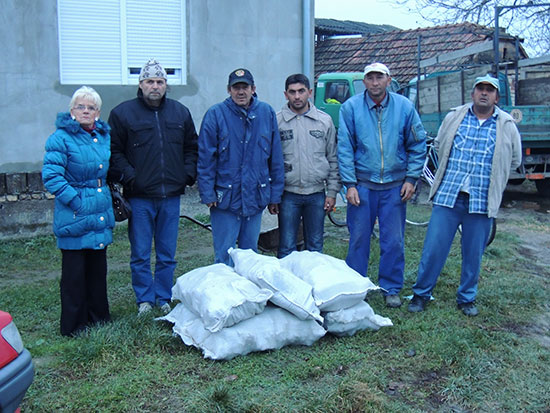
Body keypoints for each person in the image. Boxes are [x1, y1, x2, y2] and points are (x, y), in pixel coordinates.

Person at [408, 74, 522, 316]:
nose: (484, 93)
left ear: (496, 97)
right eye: (480, 88)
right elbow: (439, 145)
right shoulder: (455, 116)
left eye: (489, 90)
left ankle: (467, 298)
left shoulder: (507, 125)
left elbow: (515, 160)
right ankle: (421, 294)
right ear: (472, 93)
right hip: (449, 195)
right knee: (434, 249)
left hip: (481, 200)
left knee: (473, 253)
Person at [109, 59, 198, 315]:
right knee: (140, 253)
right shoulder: (123, 114)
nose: (155, 86)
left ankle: (163, 296)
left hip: (171, 196)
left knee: (167, 252)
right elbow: (114, 151)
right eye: (149, 81)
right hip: (139, 197)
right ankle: (144, 300)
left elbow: (192, 147)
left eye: (159, 81)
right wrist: (129, 176)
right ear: (140, 84)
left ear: (166, 85)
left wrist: (187, 174)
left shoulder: (180, 113)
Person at [338, 62, 426, 308]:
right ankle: (355, 286)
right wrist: (350, 184)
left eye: (379, 77)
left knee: (393, 240)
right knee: (358, 238)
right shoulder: (350, 108)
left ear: (389, 79)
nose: (375, 83)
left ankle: (391, 287)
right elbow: (344, 148)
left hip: (394, 187)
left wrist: (411, 178)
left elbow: (417, 145)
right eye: (370, 78)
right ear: (363, 82)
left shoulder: (405, 108)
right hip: (363, 185)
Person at [42, 86, 115, 336]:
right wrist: (76, 201)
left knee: (97, 271)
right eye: (80, 106)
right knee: (74, 275)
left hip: (99, 209)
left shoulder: (102, 136)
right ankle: (73, 326)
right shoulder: (60, 138)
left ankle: (99, 319)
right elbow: (52, 176)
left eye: (91, 107)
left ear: (98, 112)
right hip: (75, 211)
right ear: (72, 111)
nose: (86, 111)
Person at [197, 68, 284, 265]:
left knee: (249, 257)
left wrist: (275, 195)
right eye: (236, 88)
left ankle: (249, 295)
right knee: (225, 254)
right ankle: (227, 294)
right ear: (229, 90)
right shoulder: (215, 114)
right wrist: (207, 193)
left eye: (245, 87)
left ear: (253, 89)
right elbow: (205, 158)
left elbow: (276, 157)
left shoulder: (266, 113)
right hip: (225, 199)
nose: (241, 92)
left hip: (255, 197)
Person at [276, 73, 340, 258]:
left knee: (315, 245)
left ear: (310, 92)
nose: (297, 96)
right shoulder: (277, 121)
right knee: (287, 246)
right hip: (288, 195)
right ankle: (287, 285)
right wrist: (274, 195)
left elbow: (333, 158)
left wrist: (332, 192)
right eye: (292, 92)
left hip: (316, 194)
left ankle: (314, 284)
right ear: (285, 94)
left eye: (301, 91)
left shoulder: (324, 121)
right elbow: (271, 161)